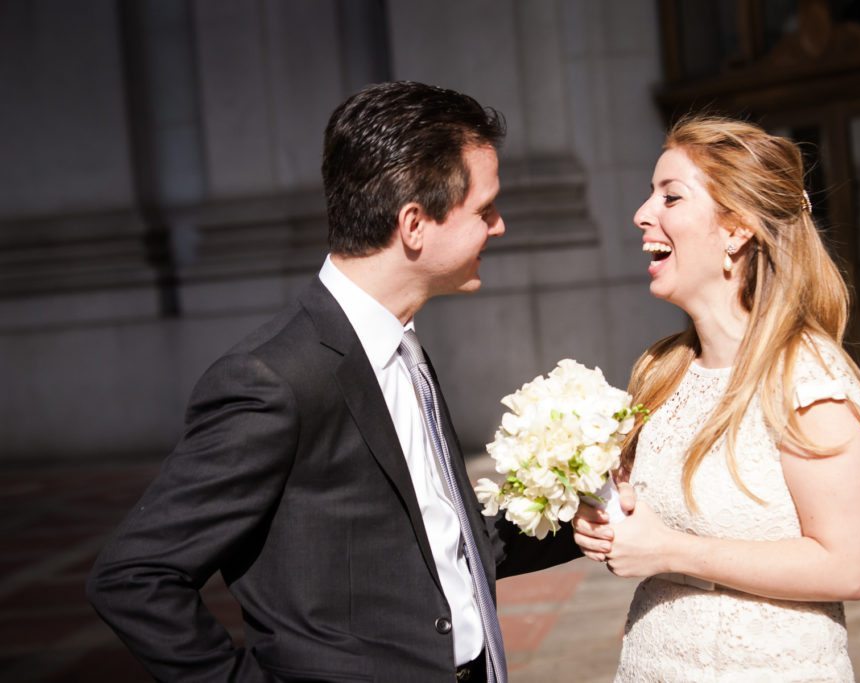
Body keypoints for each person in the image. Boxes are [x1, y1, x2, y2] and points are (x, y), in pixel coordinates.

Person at [87, 81, 579, 683]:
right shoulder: (273, 381)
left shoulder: (403, 346)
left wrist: (582, 517)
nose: (499, 227)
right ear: (414, 224)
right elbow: (134, 575)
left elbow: (440, 544)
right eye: (485, 210)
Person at [573, 115, 860, 681]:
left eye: (670, 197)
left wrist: (667, 551)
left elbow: (845, 567)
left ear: (737, 230)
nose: (643, 214)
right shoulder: (660, 370)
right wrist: (606, 521)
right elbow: (651, 524)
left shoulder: (807, 379)